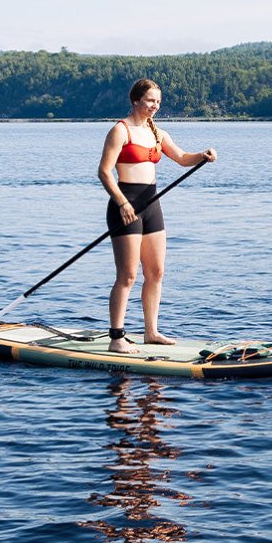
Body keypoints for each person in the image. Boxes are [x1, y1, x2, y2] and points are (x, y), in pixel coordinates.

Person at [97, 78, 216, 354]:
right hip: (124, 206)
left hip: (152, 205)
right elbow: (104, 172)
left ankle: (151, 332)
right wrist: (123, 203)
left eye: (158, 102)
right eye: (151, 100)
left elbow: (183, 158)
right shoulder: (120, 130)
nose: (155, 106)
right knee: (127, 275)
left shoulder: (157, 133)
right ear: (136, 100)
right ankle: (117, 337)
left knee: (156, 272)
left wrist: (203, 155)